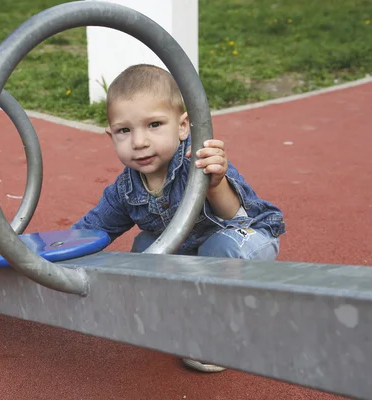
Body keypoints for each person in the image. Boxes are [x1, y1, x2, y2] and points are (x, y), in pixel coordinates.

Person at [72, 64, 286, 372]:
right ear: (111, 136)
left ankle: (220, 333)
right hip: (193, 251)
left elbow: (235, 216)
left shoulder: (200, 161)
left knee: (219, 249)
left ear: (183, 125)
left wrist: (215, 184)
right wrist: (48, 254)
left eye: (155, 124)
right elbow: (91, 230)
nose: (139, 142)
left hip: (245, 239)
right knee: (145, 245)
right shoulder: (124, 189)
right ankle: (181, 312)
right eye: (124, 130)